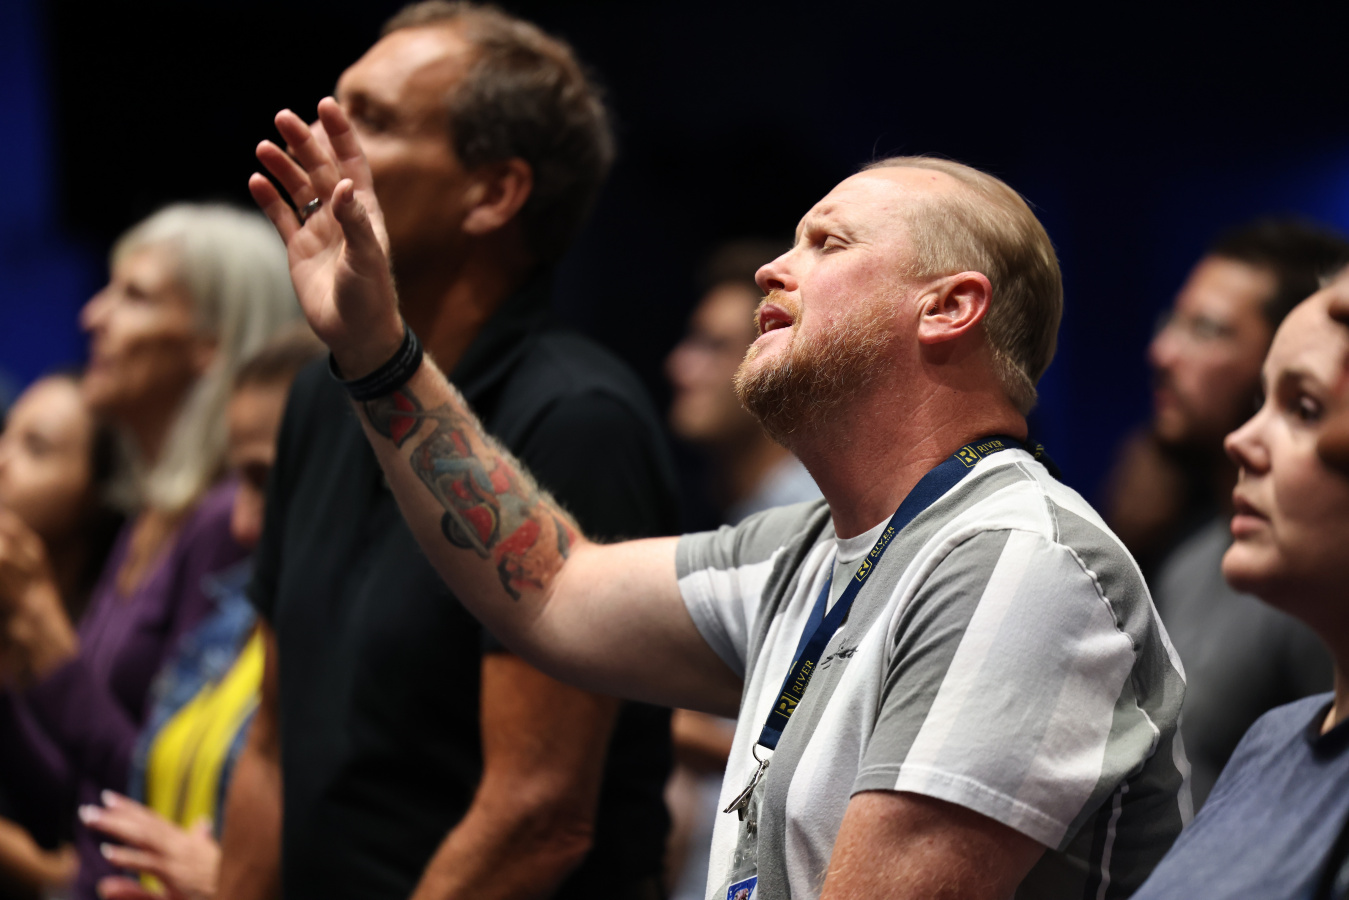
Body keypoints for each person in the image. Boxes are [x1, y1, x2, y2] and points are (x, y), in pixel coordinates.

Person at [251, 98, 1189, 898]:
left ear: (948, 307)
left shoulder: (1016, 559)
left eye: (826, 242)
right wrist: (377, 353)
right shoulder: (810, 551)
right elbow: (551, 586)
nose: (771, 268)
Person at [225, 5, 679, 900]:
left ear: (493, 194)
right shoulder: (319, 396)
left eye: (371, 120)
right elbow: (273, 743)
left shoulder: (578, 420)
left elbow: (536, 816)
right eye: (332, 107)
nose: (320, 143)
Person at [0, 204, 297, 900]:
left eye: (134, 297)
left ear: (211, 344)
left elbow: (181, 784)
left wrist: (42, 627)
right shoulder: (149, 516)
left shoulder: (228, 521)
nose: (92, 316)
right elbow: (80, 791)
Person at [71, 328, 325, 900]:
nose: (241, 523)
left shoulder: (372, 659)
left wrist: (236, 889)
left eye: (268, 480)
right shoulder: (231, 620)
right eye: (239, 480)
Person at [1108, 219, 1349, 805]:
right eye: (1174, 321)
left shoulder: (1312, 585)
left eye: (1208, 330)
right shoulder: (1191, 560)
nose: (1163, 352)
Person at [663, 240, 821, 899]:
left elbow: (810, 745)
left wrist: (638, 716)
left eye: (712, 345)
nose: (679, 366)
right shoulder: (749, 518)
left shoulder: (812, 523)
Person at [0, 373, 126, 899]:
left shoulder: (112, 636)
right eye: (5, 435)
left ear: (98, 492)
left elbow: (71, 805)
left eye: (36, 448)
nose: (2, 461)